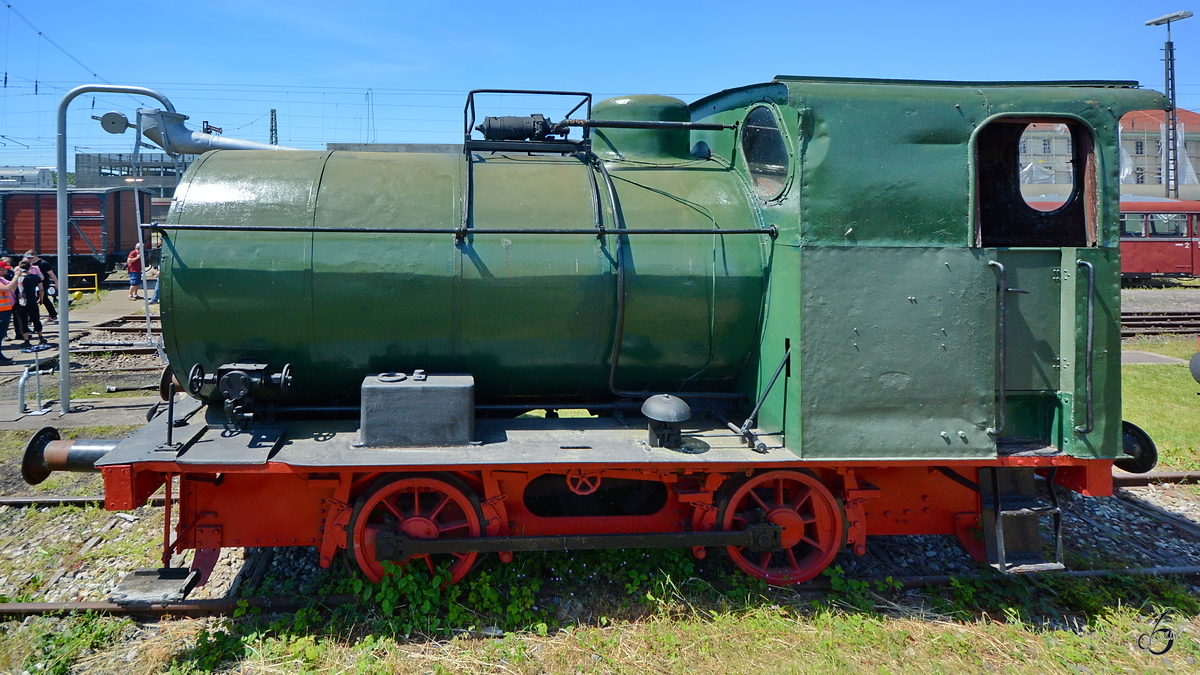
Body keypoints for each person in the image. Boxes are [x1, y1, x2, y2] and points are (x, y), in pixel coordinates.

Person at [15, 260, 46, 351]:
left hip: (20, 301)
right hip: (32, 300)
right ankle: (40, 337)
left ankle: (26, 340)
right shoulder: (36, 277)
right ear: (30, 268)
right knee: (36, 318)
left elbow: (13, 289)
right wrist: (41, 299)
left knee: (22, 320)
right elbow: (41, 289)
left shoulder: (17, 278)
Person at [23, 251, 58, 323]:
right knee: (43, 299)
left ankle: (51, 314)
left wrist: (56, 283)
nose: (29, 259)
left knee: (42, 298)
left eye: (30, 257)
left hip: (43, 283)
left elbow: (51, 274)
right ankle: (52, 314)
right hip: (34, 284)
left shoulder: (43, 263)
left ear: (34, 256)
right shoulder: (31, 264)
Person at [0, 265, 20, 365]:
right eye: (4, 269)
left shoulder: (2, 279)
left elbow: (12, 288)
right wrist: (16, 276)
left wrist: (17, 277)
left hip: (5, 311)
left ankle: (1, 357)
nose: (6, 270)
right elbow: (7, 288)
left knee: (1, 334)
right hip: (1, 312)